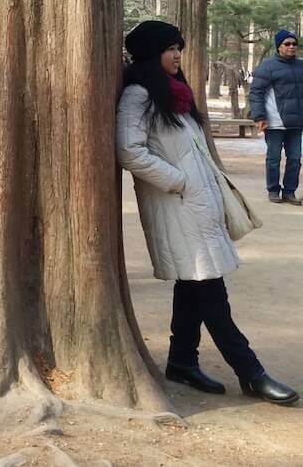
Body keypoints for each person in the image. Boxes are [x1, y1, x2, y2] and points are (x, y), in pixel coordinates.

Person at [117, 20, 298, 405]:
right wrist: (178, 181)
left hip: (197, 208)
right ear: (151, 54)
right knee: (212, 297)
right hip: (177, 208)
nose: (177, 54)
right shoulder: (139, 95)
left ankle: (182, 360)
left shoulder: (176, 95)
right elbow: (129, 151)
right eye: (170, 49)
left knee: (193, 286)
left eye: (179, 47)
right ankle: (251, 372)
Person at [248, 29, 303, 206]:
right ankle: (273, 190)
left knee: (295, 158)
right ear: (278, 46)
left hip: (296, 123)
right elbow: (256, 93)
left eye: (294, 44)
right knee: (273, 158)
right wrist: (259, 117)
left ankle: (289, 192)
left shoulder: (301, 66)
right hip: (274, 122)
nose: (291, 47)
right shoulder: (267, 67)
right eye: (287, 44)